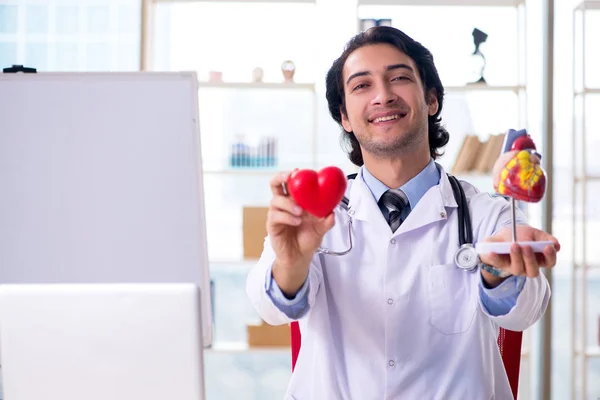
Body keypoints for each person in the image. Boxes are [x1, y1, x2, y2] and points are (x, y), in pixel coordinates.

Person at [246, 26, 560, 399]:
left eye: (398, 78)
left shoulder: (486, 214)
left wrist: (497, 271)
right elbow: (271, 308)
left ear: (431, 100)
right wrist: (291, 263)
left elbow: (525, 311)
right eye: (362, 86)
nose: (383, 95)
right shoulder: (312, 213)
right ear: (345, 117)